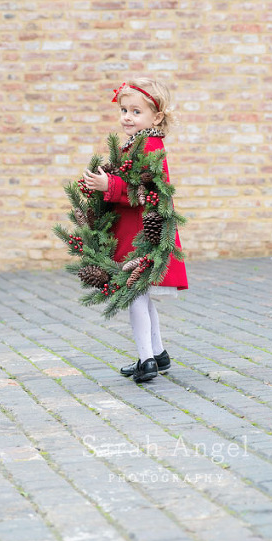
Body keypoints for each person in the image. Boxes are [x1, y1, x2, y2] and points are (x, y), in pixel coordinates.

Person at [83, 78, 188, 383]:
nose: (127, 116)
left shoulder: (151, 145)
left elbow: (146, 189)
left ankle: (147, 360)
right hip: (133, 232)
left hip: (144, 236)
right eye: (124, 109)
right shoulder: (137, 143)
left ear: (156, 117)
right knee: (141, 294)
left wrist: (110, 185)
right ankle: (159, 353)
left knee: (134, 296)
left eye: (136, 111)